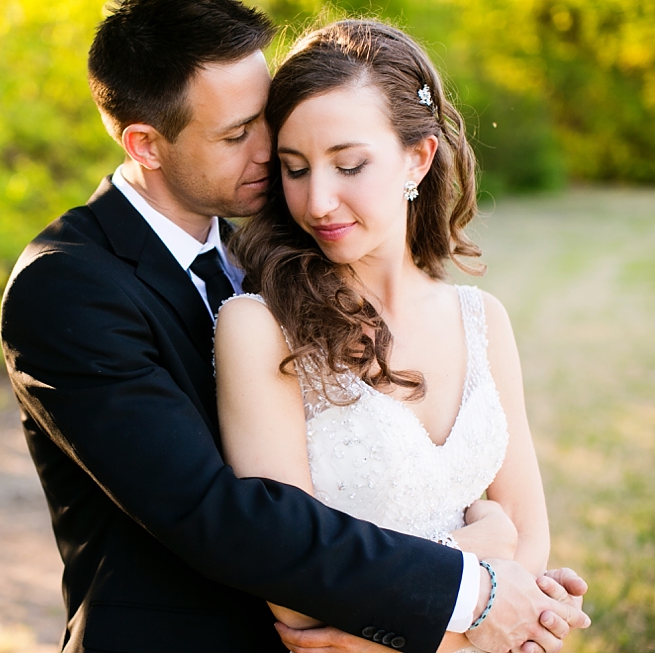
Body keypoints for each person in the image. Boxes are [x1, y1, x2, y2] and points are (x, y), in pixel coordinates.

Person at [0, 2, 589, 652]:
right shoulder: (68, 288)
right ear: (145, 144)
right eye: (237, 135)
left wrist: (514, 589)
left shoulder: (261, 264)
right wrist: (474, 586)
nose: (270, 156)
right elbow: (219, 517)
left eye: (269, 123)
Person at [215, 18, 586, 653]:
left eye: (349, 164)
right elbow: (292, 585)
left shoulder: (483, 319)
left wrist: (374, 639)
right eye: (295, 169)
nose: (319, 201)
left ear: (419, 155)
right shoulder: (259, 327)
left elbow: (527, 538)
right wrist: (482, 559)